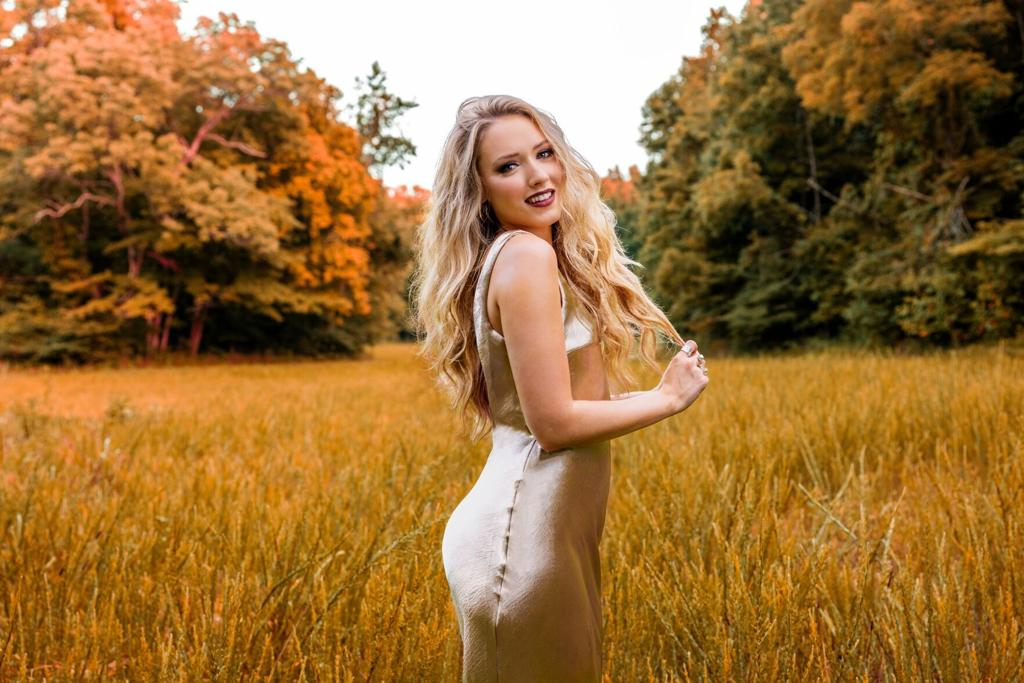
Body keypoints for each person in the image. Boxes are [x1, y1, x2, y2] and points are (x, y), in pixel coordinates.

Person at [409, 95, 709, 682]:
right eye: (508, 166)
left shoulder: (525, 256)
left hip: (539, 537)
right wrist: (666, 400)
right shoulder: (524, 256)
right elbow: (551, 425)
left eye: (543, 153)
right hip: (522, 547)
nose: (538, 175)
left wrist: (639, 396)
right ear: (479, 190)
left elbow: (560, 407)